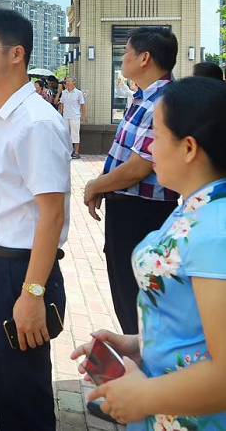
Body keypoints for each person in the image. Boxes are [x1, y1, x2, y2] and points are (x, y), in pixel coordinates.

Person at [71, 77, 226, 429]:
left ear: (189, 148)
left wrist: (142, 397)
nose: (149, 150)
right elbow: (197, 326)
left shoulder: (216, 228)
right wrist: (139, 344)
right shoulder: (196, 207)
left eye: (156, 136)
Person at [0, 8, 71, 431]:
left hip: (20, 270)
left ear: (16, 54)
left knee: (21, 397)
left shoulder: (37, 122)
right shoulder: (0, 114)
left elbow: (52, 213)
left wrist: (32, 292)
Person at [83, 28, 179, 341]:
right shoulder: (143, 98)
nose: (122, 58)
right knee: (126, 288)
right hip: (129, 207)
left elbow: (139, 167)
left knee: (135, 291)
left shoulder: (162, 103)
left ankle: (146, 364)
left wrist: (96, 185)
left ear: (144, 58)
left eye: (126, 52)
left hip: (144, 212)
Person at [59, 77, 87, 158]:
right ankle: (68, 151)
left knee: (75, 134)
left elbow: (83, 105)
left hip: (75, 116)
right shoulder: (64, 92)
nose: (66, 83)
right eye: (66, 81)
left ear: (74, 82)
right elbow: (61, 104)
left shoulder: (79, 93)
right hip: (65, 117)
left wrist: (84, 116)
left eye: (68, 81)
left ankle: (76, 152)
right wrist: (60, 114)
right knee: (66, 134)